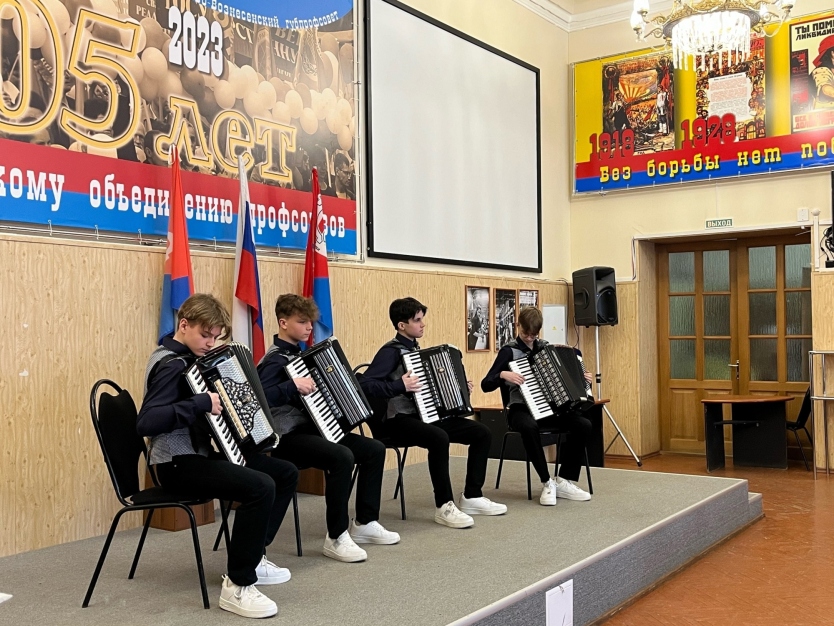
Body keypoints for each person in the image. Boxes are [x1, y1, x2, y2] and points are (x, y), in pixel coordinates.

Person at [137, 293, 298, 619]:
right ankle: (238, 585)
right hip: (175, 464)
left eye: (215, 337)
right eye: (205, 335)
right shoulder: (171, 365)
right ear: (184, 325)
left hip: (197, 456)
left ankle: (253, 554)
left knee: (284, 473)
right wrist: (200, 404)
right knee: (260, 487)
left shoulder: (189, 360)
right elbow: (146, 421)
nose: (210, 343)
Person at [258, 294, 399, 564]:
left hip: (315, 430)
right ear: (283, 323)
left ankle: (365, 522)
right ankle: (336, 536)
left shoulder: (302, 356)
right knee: (341, 456)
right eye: (302, 322)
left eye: (310, 322)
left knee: (373, 449)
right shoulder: (274, 360)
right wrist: (291, 387)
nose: (309, 327)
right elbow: (259, 397)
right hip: (286, 437)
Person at [360, 297, 507, 528]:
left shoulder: (415, 351)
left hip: (424, 417)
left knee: (481, 433)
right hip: (398, 420)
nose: (423, 324)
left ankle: (472, 496)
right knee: (438, 437)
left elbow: (430, 390)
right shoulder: (390, 352)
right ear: (401, 325)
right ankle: (444, 505)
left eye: (422, 319)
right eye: (417, 320)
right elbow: (365, 384)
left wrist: (460, 388)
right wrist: (399, 386)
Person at [480, 306, 593, 506]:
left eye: (534, 334)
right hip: (519, 409)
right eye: (526, 333)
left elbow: (566, 375)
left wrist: (583, 378)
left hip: (549, 408)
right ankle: (547, 481)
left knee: (583, 424)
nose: (530, 338)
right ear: (518, 326)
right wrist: (502, 375)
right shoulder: (509, 351)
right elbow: (486, 384)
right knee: (528, 427)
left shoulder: (545, 348)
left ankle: (563, 480)